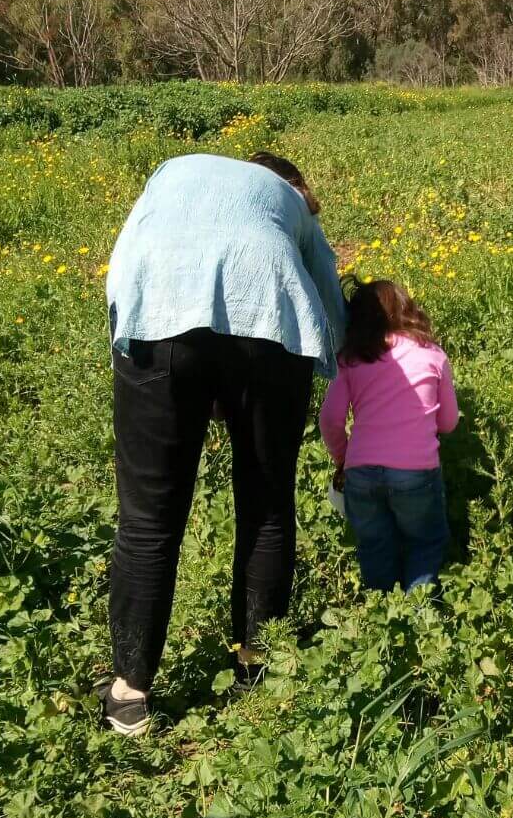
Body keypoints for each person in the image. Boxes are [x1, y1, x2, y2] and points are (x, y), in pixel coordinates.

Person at [100, 151, 344, 736]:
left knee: (148, 520)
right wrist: (339, 373)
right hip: (270, 320)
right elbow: (327, 297)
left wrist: (134, 357)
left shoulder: (172, 172)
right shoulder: (286, 201)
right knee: (265, 508)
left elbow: (123, 266)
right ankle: (256, 665)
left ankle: (130, 693)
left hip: (160, 308)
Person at [319, 279, 459, 595]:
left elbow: (329, 419)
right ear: (407, 310)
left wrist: (344, 456)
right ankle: (420, 620)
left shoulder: (351, 360)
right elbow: (448, 423)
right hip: (416, 472)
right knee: (424, 543)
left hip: (362, 472)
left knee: (374, 545)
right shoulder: (432, 355)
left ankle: (382, 614)